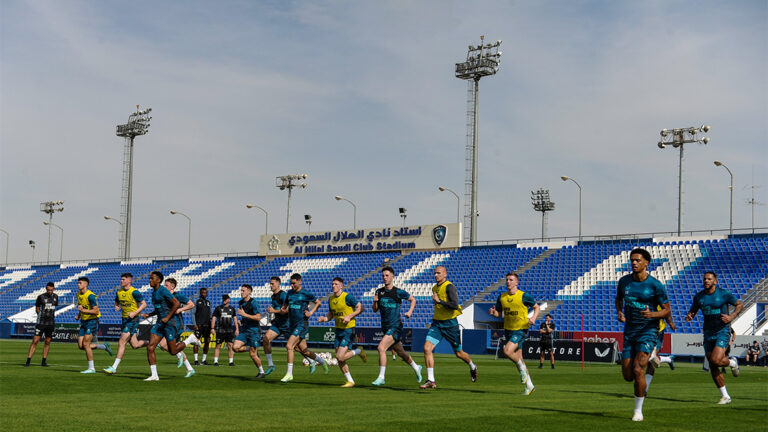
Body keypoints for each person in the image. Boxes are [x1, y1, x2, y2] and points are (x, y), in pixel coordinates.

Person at [615, 248, 670, 421]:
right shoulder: (624, 282)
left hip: (648, 330)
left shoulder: (655, 285)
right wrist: (619, 312)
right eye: (632, 260)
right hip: (630, 331)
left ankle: (638, 411)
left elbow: (667, 310)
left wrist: (652, 314)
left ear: (647, 263)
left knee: (639, 369)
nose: (634, 263)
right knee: (627, 375)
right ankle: (654, 355)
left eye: (638, 260)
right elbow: (618, 298)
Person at [685, 271, 744, 404]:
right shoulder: (699, 297)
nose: (706, 281)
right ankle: (725, 396)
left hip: (722, 330)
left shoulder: (723, 294)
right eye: (705, 279)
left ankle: (733, 362)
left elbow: (740, 305)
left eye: (709, 279)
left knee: (716, 360)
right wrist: (690, 315)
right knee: (713, 364)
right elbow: (693, 310)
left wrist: (731, 317)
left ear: (715, 281)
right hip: (708, 332)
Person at [420, 266, 477, 389]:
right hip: (437, 324)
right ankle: (431, 380)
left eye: (438, 273)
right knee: (427, 348)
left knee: (459, 353)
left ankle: (472, 365)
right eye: (435, 273)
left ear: (445, 274)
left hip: (450, 325)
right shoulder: (434, 288)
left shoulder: (449, 287)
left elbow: (454, 305)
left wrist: (439, 301)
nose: (436, 275)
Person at [143, 271, 200, 381]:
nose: (149, 280)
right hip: (160, 323)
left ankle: (190, 339)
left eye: (152, 278)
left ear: (158, 280)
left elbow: (177, 303)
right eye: (149, 278)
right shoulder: (154, 292)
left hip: (169, 324)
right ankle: (154, 375)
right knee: (150, 347)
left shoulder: (164, 291)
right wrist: (149, 315)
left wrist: (168, 317)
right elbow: (159, 308)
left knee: (173, 351)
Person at [489, 272, 540, 395]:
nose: (508, 282)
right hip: (509, 330)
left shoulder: (523, 296)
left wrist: (533, 318)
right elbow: (499, 314)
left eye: (511, 280)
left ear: (516, 282)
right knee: (519, 359)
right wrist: (493, 313)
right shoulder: (502, 297)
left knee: (507, 351)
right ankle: (529, 386)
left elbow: (537, 307)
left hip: (521, 329)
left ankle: (523, 372)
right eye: (507, 279)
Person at [371, 266, 422, 386]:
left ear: (393, 277)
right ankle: (416, 367)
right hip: (385, 327)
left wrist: (410, 312)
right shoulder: (379, 292)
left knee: (381, 348)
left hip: (395, 326)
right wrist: (374, 302)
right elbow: (375, 310)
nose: (385, 277)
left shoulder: (398, 292)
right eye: (383, 275)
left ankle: (381, 377)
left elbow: (413, 300)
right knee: (401, 353)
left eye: (387, 275)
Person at [279, 273, 328, 383]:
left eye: (294, 283)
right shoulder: (289, 293)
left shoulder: (305, 293)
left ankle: (289, 374)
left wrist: (311, 312)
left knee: (289, 345)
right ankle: (321, 361)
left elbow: (318, 302)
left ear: (300, 282)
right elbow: (286, 306)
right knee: (303, 351)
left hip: (301, 324)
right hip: (292, 324)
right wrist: (283, 309)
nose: (292, 285)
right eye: (291, 283)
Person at [317, 277, 366, 387]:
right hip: (338, 330)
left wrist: (350, 316)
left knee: (339, 357)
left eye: (336, 284)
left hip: (348, 329)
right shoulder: (331, 299)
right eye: (332, 284)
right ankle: (350, 381)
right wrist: (324, 319)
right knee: (340, 359)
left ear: (341, 286)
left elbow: (361, 308)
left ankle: (358, 351)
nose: (333, 286)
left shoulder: (347, 297)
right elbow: (331, 314)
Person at [103, 273, 147, 374]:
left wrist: (135, 313)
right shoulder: (119, 292)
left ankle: (114, 367)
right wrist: (116, 306)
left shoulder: (134, 292)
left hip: (133, 320)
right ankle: (152, 342)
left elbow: (144, 304)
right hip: (124, 320)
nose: (121, 281)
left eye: (123, 279)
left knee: (121, 342)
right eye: (121, 279)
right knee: (134, 345)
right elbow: (117, 302)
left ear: (129, 281)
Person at [75, 277, 113, 373]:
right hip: (83, 321)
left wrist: (83, 311)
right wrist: (79, 315)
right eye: (78, 283)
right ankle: (104, 347)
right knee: (80, 346)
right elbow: (81, 307)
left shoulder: (91, 296)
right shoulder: (78, 295)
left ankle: (91, 368)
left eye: (80, 283)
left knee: (86, 344)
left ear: (85, 284)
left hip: (92, 321)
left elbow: (96, 311)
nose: (78, 284)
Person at [232, 284, 266, 378]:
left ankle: (262, 372)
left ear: (249, 292)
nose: (241, 292)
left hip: (254, 331)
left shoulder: (253, 303)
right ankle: (249, 348)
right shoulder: (241, 302)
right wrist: (242, 320)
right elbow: (245, 316)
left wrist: (245, 315)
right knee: (235, 347)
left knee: (252, 354)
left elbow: (258, 317)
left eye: (243, 291)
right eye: (241, 290)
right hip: (245, 330)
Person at [645, 306, 676, 396]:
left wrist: (670, 323)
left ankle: (644, 390)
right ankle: (668, 359)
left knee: (651, 361)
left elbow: (666, 310)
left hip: (658, 331)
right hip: (644, 330)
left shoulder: (658, 296)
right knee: (652, 359)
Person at [262, 277, 290, 375]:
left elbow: (287, 310)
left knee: (298, 348)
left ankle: (315, 360)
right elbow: (279, 310)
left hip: (287, 324)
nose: (271, 285)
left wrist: (273, 311)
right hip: (278, 323)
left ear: (278, 284)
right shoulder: (273, 296)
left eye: (272, 284)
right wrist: (274, 316)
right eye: (270, 283)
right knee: (266, 339)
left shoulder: (283, 295)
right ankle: (271, 365)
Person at [25, 282, 58, 367]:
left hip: (51, 323)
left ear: (53, 289)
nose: (49, 291)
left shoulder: (56, 297)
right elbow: (37, 307)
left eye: (51, 290)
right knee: (35, 341)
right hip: (41, 322)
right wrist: (40, 315)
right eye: (48, 290)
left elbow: (53, 308)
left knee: (47, 342)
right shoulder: (40, 297)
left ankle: (44, 361)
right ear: (46, 289)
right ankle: (28, 361)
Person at [211, 294, 238, 366]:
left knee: (230, 345)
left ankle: (231, 362)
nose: (224, 300)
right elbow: (214, 318)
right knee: (218, 345)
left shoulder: (232, 309)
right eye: (223, 299)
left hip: (229, 330)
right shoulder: (218, 308)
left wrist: (237, 329)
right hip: (220, 330)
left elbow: (235, 319)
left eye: (225, 299)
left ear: (228, 300)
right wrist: (212, 328)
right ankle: (215, 361)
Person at [192, 287, 212, 365]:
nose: (204, 294)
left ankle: (203, 360)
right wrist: (194, 324)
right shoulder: (196, 301)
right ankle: (196, 360)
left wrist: (212, 325)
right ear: (200, 293)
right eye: (203, 292)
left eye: (205, 292)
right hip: (199, 325)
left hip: (207, 325)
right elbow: (193, 313)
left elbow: (210, 314)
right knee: (196, 342)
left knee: (207, 342)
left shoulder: (208, 302)